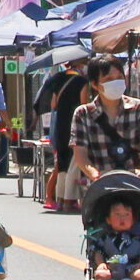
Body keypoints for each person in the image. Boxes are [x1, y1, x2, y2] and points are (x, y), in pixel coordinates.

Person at [69, 58, 140, 183]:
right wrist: (95, 175)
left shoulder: (139, 108)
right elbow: (80, 154)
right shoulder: (83, 114)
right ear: (95, 84)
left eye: (119, 78)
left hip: (134, 185)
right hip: (100, 189)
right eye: (109, 79)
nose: (116, 83)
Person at [44, 58, 92, 210]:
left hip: (60, 125)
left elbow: (53, 104)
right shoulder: (82, 82)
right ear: (80, 64)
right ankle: (69, 200)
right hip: (75, 124)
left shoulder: (58, 80)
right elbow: (83, 105)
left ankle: (60, 199)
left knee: (62, 162)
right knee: (74, 162)